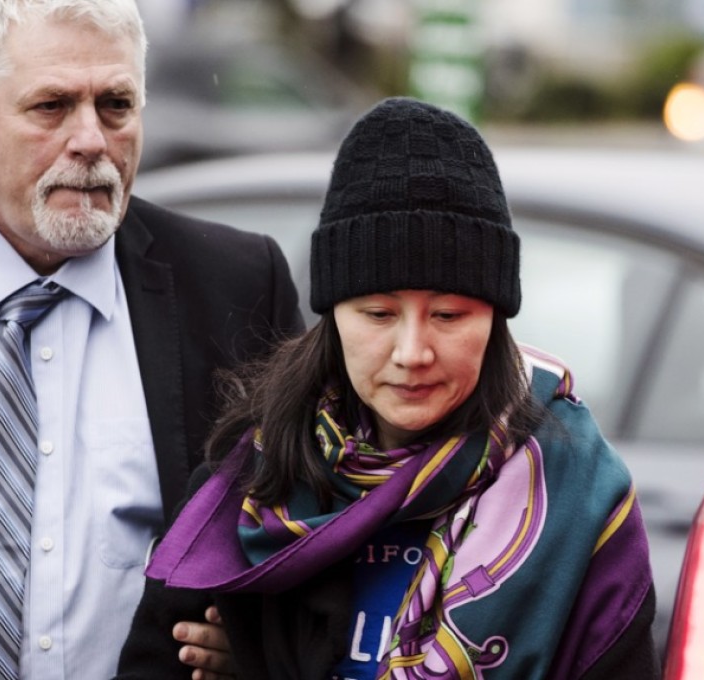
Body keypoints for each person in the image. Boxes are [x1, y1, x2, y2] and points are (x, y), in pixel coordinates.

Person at [116, 96, 659, 679]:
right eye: (377, 314)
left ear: (495, 319)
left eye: (449, 316)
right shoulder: (254, 486)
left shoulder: (579, 496)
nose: (412, 353)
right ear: (333, 318)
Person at [0, 0, 304, 678]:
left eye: (116, 105)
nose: (91, 140)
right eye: (51, 107)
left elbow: (308, 538)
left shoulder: (238, 287)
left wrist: (256, 645)